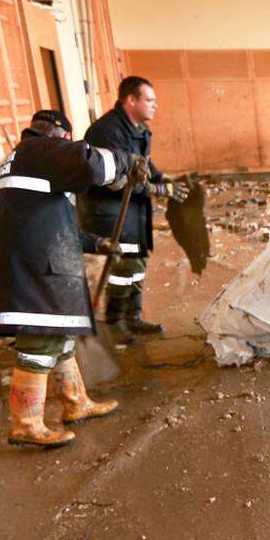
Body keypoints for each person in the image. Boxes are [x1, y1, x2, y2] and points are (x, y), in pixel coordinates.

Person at [0, 110, 146, 446]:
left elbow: (53, 223)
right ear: (60, 134)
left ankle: (75, 402)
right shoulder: (38, 150)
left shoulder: (25, 161)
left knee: (59, 338)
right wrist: (126, 160)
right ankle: (27, 423)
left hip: (32, 257)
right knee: (39, 340)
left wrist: (98, 243)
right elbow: (91, 163)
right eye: (69, 141)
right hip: (33, 264)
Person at [78, 76, 187, 341]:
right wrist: (158, 190)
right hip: (110, 210)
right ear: (131, 100)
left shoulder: (137, 130)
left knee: (136, 262)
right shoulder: (108, 132)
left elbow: (143, 166)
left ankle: (132, 316)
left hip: (132, 210)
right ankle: (114, 321)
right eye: (149, 100)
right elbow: (118, 181)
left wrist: (163, 180)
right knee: (125, 265)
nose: (155, 105)